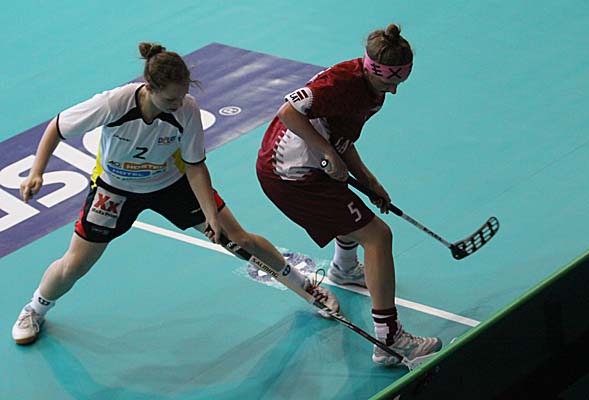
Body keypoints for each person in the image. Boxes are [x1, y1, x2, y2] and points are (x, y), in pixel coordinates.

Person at [12, 42, 339, 345]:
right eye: (170, 100)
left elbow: (195, 167)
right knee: (75, 264)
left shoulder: (186, 110)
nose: (177, 104)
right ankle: (34, 310)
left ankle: (306, 287)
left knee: (240, 239)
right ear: (149, 88)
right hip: (115, 189)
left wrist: (211, 217)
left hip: (171, 184)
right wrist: (37, 171)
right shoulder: (114, 103)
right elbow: (56, 128)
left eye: (182, 96)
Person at [256, 24, 442, 366]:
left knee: (351, 206)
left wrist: (369, 181)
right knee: (379, 237)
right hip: (290, 173)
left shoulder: (372, 91)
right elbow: (288, 112)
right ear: (372, 70)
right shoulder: (340, 83)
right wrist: (327, 152)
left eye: (399, 84)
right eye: (389, 83)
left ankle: (344, 269)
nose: (393, 91)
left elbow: (342, 140)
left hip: (311, 166)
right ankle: (389, 339)